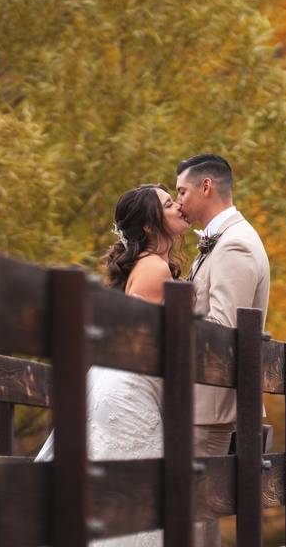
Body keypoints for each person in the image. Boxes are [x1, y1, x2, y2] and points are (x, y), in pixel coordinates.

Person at [35, 183, 189, 547]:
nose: (178, 207)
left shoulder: (149, 264)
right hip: (129, 391)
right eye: (169, 204)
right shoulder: (154, 270)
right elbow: (147, 344)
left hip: (119, 383)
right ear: (150, 226)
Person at [176, 154, 270, 547]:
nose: (179, 201)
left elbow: (221, 331)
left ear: (206, 186)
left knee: (193, 515)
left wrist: (168, 322)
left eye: (182, 191)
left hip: (209, 407)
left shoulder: (235, 245)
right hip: (202, 404)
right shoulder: (224, 240)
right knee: (194, 514)